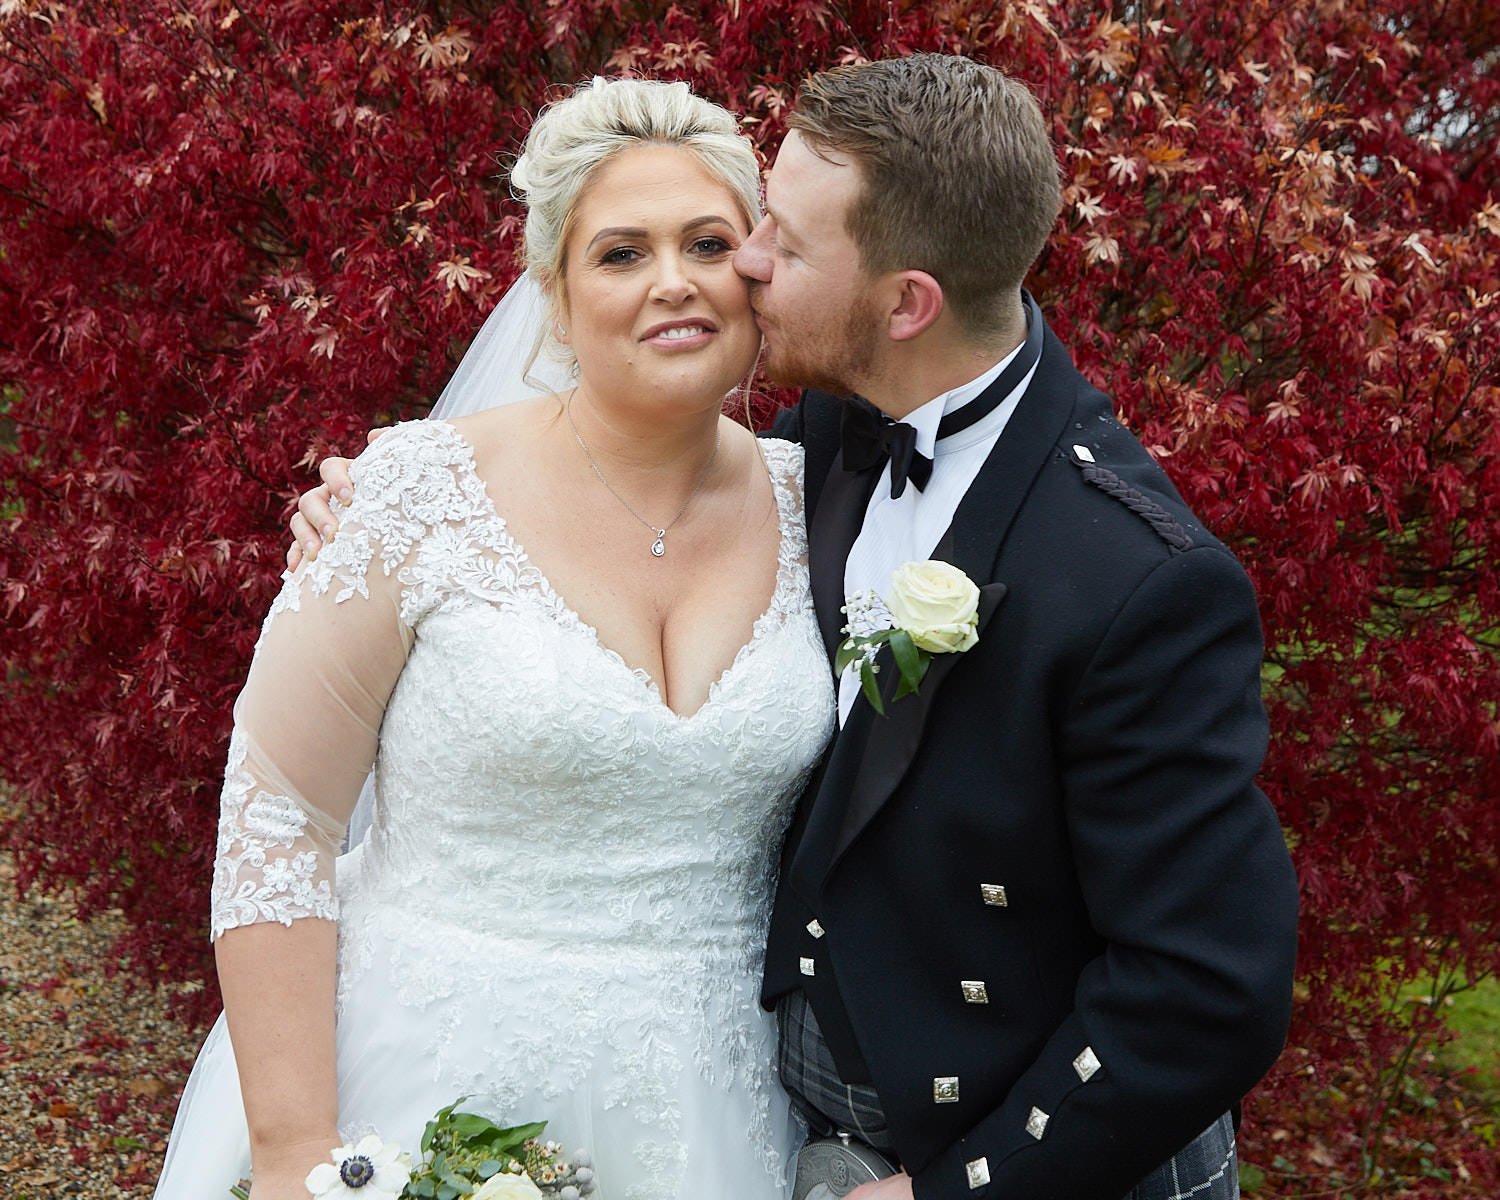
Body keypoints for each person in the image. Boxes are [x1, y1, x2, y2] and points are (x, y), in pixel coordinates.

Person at [295, 55, 1300, 1200]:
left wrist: (958, 1191)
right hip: (786, 1123)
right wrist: (384, 505)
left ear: (906, 303)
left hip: (1041, 1159)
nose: (748, 262)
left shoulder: (1137, 580)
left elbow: (1210, 986)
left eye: (785, 239)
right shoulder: (826, 439)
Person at [156, 77, 835, 1200]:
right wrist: (290, 1152)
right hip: (414, 1080)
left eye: (709, 243)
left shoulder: (827, 506)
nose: (674, 282)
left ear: (755, 269)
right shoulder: (413, 495)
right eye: (621, 254)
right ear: (556, 296)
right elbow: (279, 813)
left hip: (728, 1107)